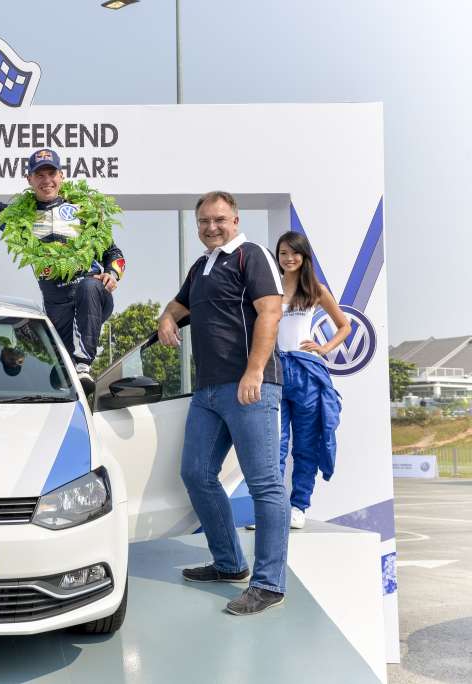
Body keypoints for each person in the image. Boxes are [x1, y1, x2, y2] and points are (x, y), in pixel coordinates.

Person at [157, 191, 288, 616]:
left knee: (265, 484)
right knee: (195, 474)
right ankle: (230, 563)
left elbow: (270, 312)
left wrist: (254, 371)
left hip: (251, 386)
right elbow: (179, 305)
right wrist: (165, 319)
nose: (210, 228)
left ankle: (268, 584)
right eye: (203, 222)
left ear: (235, 219)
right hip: (208, 391)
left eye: (218, 220)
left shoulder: (252, 255)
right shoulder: (202, 266)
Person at [0, 138, 124, 393]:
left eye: (51, 173)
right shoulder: (18, 218)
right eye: (39, 175)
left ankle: (84, 366)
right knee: (60, 373)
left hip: (93, 296)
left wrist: (112, 273)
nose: (46, 180)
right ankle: (72, 383)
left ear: (61, 176)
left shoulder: (82, 211)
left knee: (88, 287)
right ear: (29, 180)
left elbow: (114, 253)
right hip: (58, 305)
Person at [272, 230, 346, 529]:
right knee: (273, 445)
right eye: (283, 253)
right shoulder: (268, 287)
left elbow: (344, 325)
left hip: (305, 372)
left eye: (294, 253)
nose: (289, 259)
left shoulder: (316, 290)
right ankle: (272, 511)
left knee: (305, 445)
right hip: (273, 370)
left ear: (304, 256)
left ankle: (299, 506)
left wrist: (324, 348)